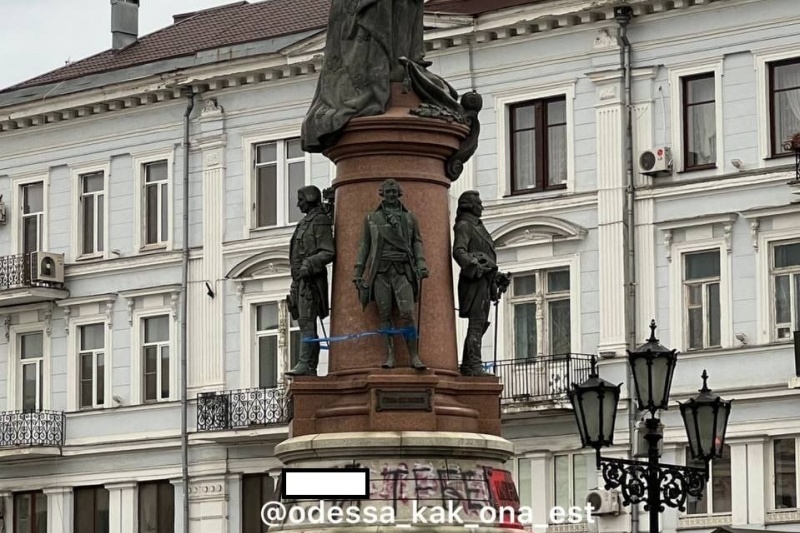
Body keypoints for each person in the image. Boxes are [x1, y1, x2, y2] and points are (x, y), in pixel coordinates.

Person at [353, 179, 428, 370]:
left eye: (395, 191)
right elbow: (365, 246)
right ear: (382, 193)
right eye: (388, 191)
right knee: (384, 314)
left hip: (403, 270)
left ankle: (414, 356)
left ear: (399, 193)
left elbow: (417, 242)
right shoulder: (372, 219)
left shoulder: (410, 218)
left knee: (408, 313)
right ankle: (390, 356)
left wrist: (421, 263)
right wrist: (358, 272)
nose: (392, 195)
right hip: (380, 271)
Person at [452, 191, 510, 376]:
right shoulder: (464, 226)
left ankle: (470, 363)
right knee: (476, 323)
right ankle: (472, 365)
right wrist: (477, 264)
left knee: (480, 323)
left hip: (484, 280)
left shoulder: (478, 226)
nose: (482, 206)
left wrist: (496, 276)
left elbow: (485, 257)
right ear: (468, 206)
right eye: (478, 202)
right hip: (474, 281)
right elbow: (459, 252)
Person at [285, 186, 335, 376]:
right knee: (303, 322)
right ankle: (308, 365)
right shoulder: (305, 222)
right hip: (300, 280)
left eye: (301, 199)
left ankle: (307, 363)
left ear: (311, 199)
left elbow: (328, 251)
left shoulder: (320, 220)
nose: (298, 204)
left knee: (308, 322)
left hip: (311, 280)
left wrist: (309, 264)